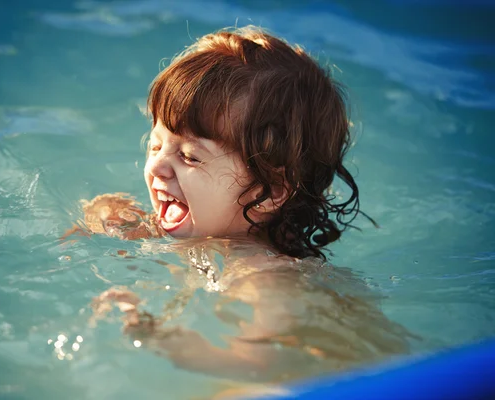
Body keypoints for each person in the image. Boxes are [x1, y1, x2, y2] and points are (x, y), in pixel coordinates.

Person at [67, 26, 413, 386]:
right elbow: (108, 217)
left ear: (269, 191)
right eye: (155, 145)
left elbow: (257, 363)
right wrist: (103, 216)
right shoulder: (202, 227)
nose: (156, 167)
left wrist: (153, 335)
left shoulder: (265, 277)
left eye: (189, 157)